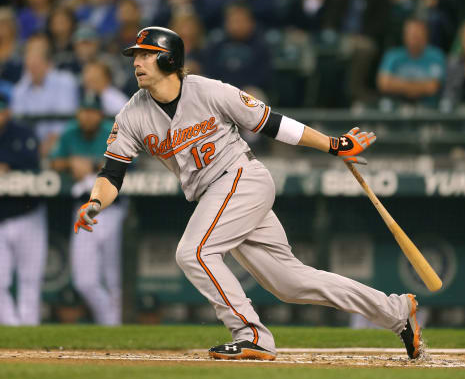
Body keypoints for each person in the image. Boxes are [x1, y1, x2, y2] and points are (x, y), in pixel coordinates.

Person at [74, 26, 422, 360]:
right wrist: (95, 202)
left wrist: (333, 145)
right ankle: (396, 311)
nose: (136, 62)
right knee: (290, 283)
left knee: (193, 252)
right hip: (215, 195)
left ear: (169, 59)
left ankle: (251, 335)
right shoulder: (133, 113)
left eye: (146, 55)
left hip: (241, 178)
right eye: (135, 55)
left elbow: (273, 123)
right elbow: (111, 173)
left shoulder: (209, 91)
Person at [50, 93, 126, 325]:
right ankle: (110, 322)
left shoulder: (111, 131)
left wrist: (92, 164)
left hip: (113, 208)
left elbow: (129, 161)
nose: (87, 116)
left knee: (112, 276)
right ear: (78, 113)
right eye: (84, 111)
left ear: (100, 114)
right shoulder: (71, 132)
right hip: (83, 206)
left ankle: (115, 327)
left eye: (92, 112)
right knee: (84, 280)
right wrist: (71, 162)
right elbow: (54, 161)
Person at [0, 93, 47, 325]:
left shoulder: (22, 132)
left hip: (28, 215)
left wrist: (9, 165)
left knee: (30, 279)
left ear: (7, 111)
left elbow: (33, 163)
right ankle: (12, 328)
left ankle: (29, 328)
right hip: (1, 219)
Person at [11, 33, 78, 156]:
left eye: (37, 61)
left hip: (61, 145)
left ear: (48, 63)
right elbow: (18, 124)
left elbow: (65, 122)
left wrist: (48, 146)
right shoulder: (19, 89)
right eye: (29, 62)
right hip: (29, 147)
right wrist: (32, 147)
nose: (33, 66)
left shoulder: (65, 81)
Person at [377, 18, 446, 108]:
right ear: (404, 35)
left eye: (417, 34)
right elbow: (384, 84)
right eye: (410, 34)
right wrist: (418, 87)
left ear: (426, 35)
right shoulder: (393, 55)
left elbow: (432, 87)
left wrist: (397, 84)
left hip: (428, 108)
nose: (414, 38)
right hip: (396, 107)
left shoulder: (436, 56)